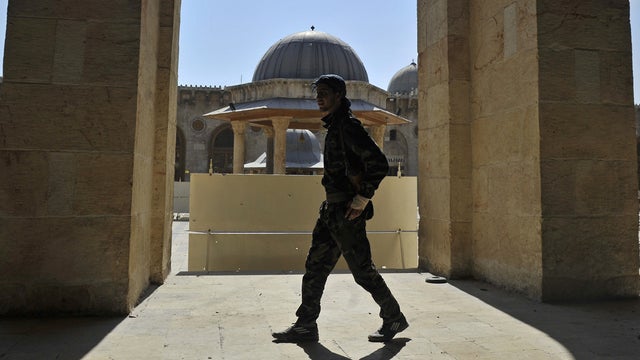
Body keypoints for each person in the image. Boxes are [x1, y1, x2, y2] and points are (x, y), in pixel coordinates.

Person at [272, 74, 408, 343]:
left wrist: (362, 199)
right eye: (317, 93)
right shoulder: (335, 126)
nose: (319, 98)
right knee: (315, 267)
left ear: (338, 95)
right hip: (331, 211)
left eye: (324, 93)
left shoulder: (348, 127)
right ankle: (306, 325)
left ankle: (393, 317)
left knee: (362, 272)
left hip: (347, 212)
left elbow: (379, 164)